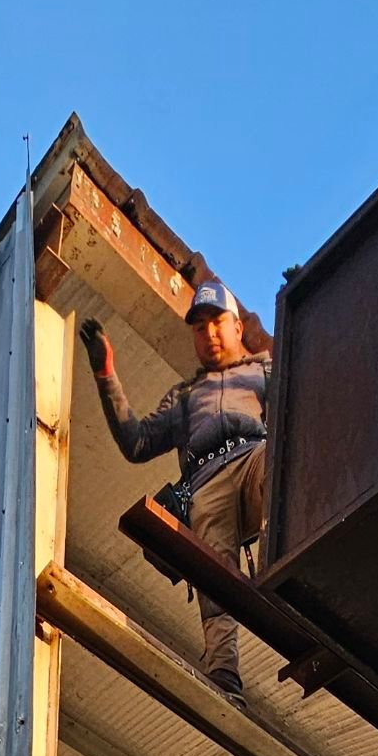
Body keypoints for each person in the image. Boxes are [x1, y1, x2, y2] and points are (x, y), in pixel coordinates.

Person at [81, 278, 269, 695]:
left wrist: (303, 303)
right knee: (212, 567)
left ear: (238, 327)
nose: (209, 333)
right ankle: (224, 672)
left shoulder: (264, 371)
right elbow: (137, 442)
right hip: (207, 481)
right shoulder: (185, 396)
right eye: (200, 327)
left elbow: (307, 386)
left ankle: (287, 570)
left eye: (217, 322)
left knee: (279, 464)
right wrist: (106, 375)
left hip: (253, 458)